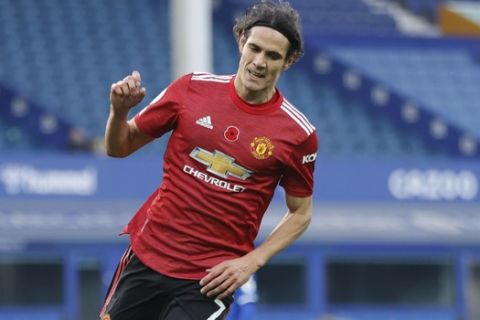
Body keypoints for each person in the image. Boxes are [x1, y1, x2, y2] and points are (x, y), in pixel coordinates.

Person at [99, 0, 317, 319]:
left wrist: (252, 261)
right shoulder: (191, 89)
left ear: (289, 60)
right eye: (254, 48)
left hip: (208, 282)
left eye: (272, 55)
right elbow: (119, 147)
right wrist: (119, 111)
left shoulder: (298, 133)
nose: (259, 62)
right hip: (146, 257)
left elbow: (301, 213)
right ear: (241, 40)